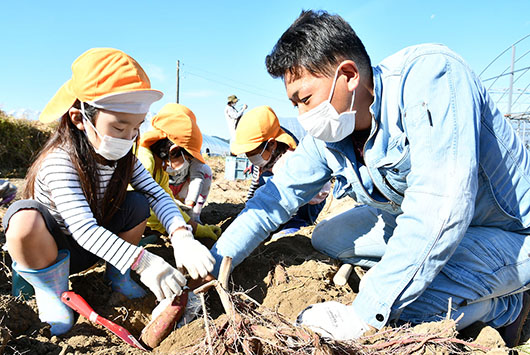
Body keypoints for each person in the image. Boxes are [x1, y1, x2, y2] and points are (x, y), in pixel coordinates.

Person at [209, 10, 530, 347]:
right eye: (295, 104)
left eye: (305, 100)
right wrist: (215, 262)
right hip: (435, 224)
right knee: (329, 237)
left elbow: (441, 210)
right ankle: (447, 280)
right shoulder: (332, 133)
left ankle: (505, 305)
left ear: (347, 75)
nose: (303, 118)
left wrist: (365, 312)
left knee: (402, 309)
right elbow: (275, 197)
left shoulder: (431, 78)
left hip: (510, 232)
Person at [2, 48, 214, 335]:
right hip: (52, 250)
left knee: (137, 202)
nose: (128, 138)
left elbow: (156, 194)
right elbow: (82, 228)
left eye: (136, 128)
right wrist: (145, 261)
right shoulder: (59, 161)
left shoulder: (124, 158)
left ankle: (118, 275)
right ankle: (51, 291)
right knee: (23, 222)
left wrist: (180, 235)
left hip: (98, 249)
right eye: (119, 127)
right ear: (80, 118)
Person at [232, 105, 330, 236]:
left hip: (311, 198)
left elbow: (288, 195)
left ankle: (298, 223)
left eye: (253, 152)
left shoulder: (288, 161)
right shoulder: (266, 154)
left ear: (272, 144)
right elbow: (254, 188)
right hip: (287, 192)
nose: (250, 157)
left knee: (272, 190)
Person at [138, 102, 219, 237]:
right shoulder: (145, 161)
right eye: (187, 158)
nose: (187, 163)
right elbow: (143, 209)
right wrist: (179, 230)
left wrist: (196, 228)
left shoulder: (161, 171)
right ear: (174, 150)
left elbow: (167, 203)